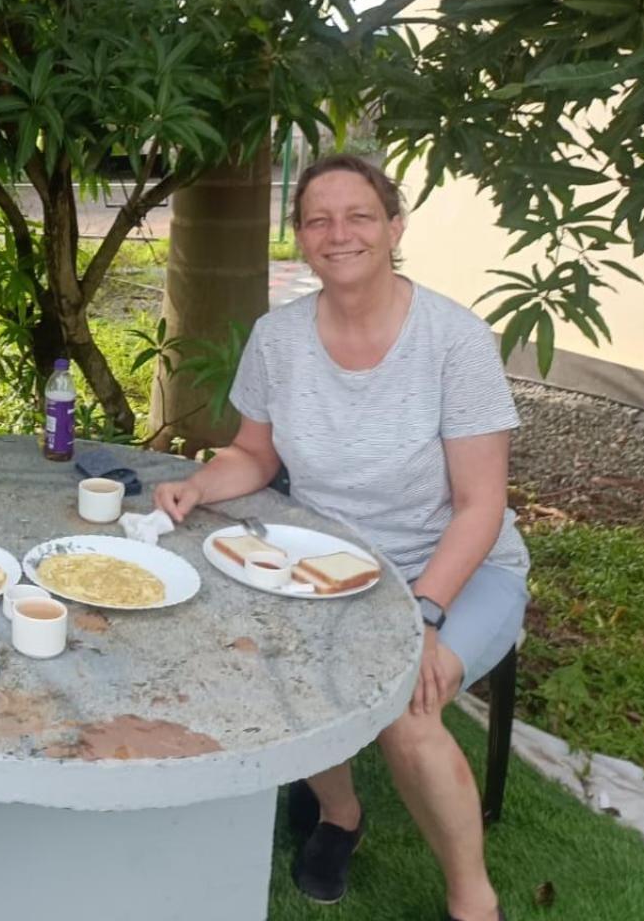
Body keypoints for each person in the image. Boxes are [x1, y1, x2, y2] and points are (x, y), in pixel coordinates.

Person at [153, 154, 522, 921]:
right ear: (300, 238)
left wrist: (422, 613)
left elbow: (480, 505)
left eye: (359, 215)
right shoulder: (278, 336)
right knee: (266, 654)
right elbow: (255, 455)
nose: (338, 233)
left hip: (456, 567)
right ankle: (340, 812)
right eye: (318, 219)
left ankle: (472, 899)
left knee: (404, 706)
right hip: (327, 564)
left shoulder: (456, 342)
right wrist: (197, 484)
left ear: (394, 227)